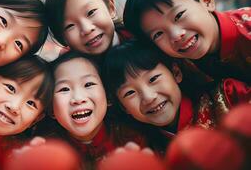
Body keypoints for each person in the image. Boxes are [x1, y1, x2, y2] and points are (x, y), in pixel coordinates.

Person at [102, 41, 250, 141]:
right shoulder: (147, 152)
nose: (148, 97)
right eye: (129, 93)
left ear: (176, 73)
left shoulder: (229, 95)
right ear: (123, 106)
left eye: (153, 79)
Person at [123, 0, 251, 84]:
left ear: (206, 1)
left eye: (179, 16)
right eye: (158, 34)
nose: (176, 35)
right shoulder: (178, 71)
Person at [49, 51, 149, 168]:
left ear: (108, 96)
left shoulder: (134, 139)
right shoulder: (43, 152)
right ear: (50, 109)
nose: (78, 98)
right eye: (64, 89)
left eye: (88, 84)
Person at [45, 0, 133, 57]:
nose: (87, 29)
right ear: (61, 38)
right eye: (69, 26)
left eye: (91, 12)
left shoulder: (140, 40)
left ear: (110, 8)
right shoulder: (67, 70)